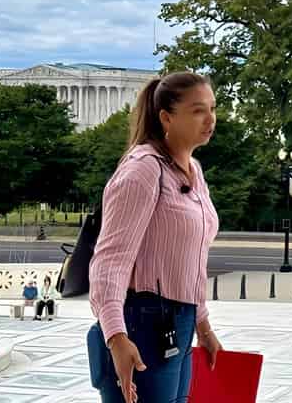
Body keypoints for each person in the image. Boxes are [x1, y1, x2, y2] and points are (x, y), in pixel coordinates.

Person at [87, 71, 222, 403]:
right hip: (143, 323)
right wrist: (116, 337)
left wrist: (202, 325)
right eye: (197, 110)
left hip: (180, 323)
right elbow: (110, 260)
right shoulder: (143, 170)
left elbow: (193, 260)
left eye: (212, 108)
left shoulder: (193, 170)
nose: (210, 119)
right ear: (166, 117)